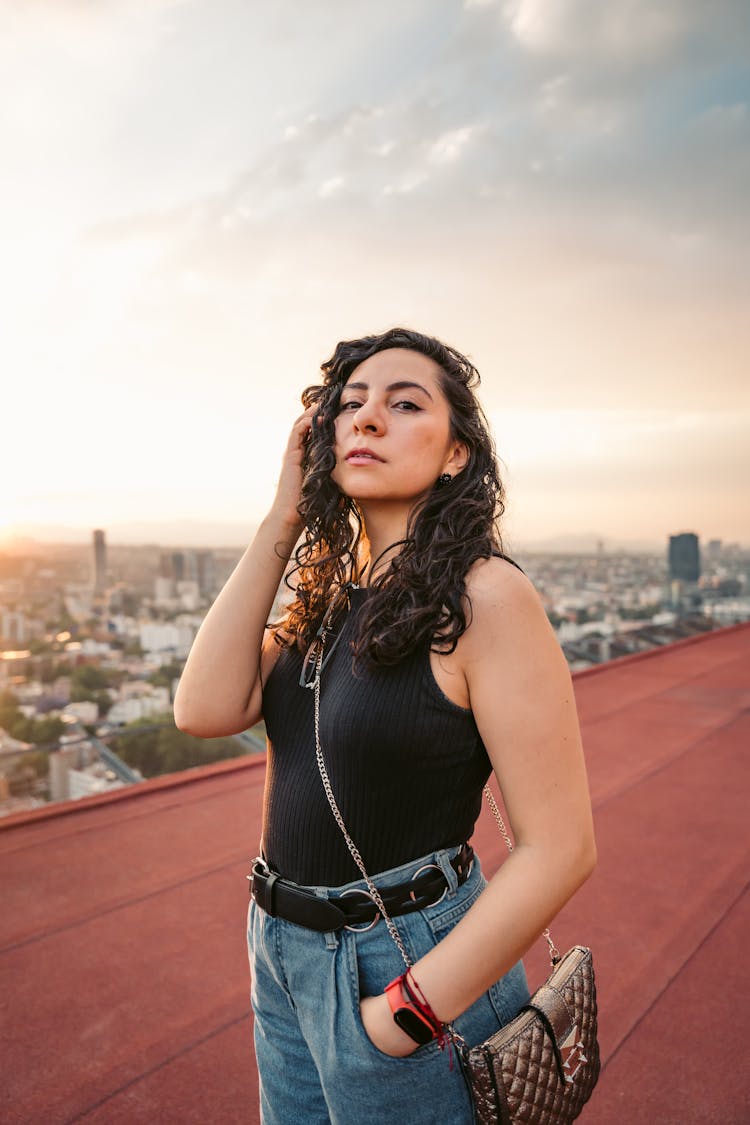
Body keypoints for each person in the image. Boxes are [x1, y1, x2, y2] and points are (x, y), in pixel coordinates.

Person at [174, 327, 597, 1124]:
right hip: (282, 952)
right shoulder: (328, 598)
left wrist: (406, 1013)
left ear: (456, 455)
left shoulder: (485, 596)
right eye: (350, 404)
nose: (366, 419)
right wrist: (284, 515)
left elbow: (562, 845)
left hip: (404, 962)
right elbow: (202, 709)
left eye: (405, 405)